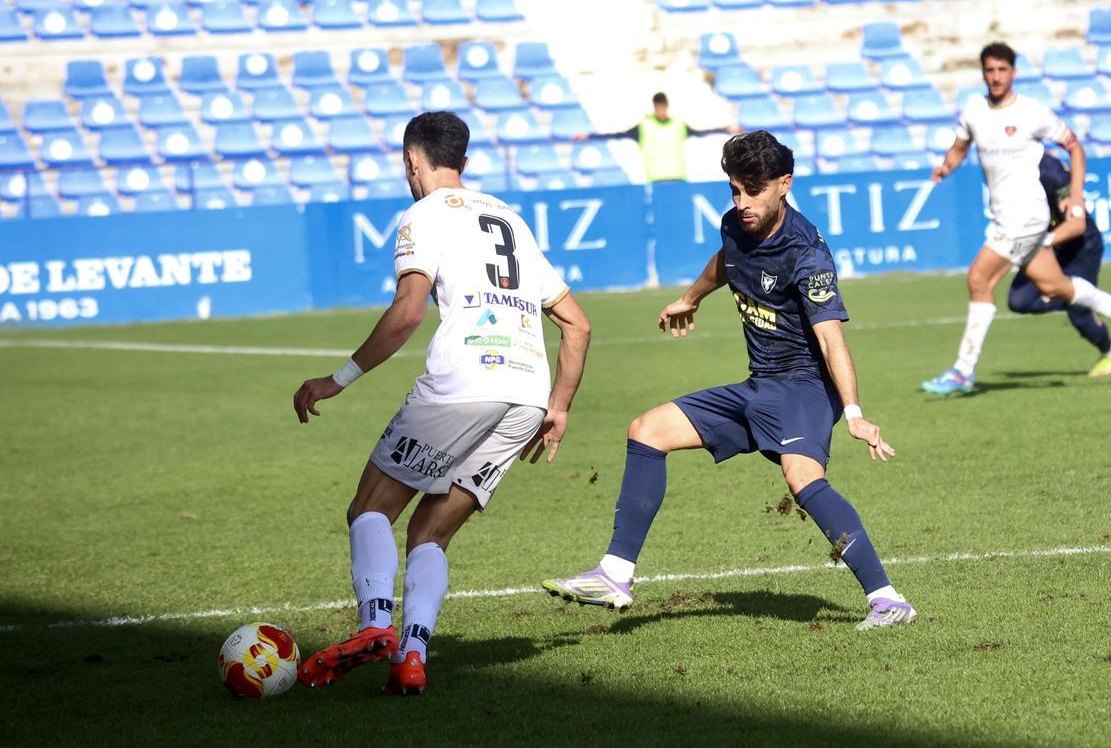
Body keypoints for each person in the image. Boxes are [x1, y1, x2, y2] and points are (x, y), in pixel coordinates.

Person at [542, 131, 916, 631]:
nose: (741, 203)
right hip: (759, 384)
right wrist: (692, 297)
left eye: (753, 190)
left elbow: (831, 340)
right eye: (734, 190)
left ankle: (888, 600)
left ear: (784, 184)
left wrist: (853, 413)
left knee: (803, 480)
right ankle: (615, 574)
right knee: (646, 430)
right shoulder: (735, 224)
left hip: (804, 388)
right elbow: (726, 261)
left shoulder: (806, 253)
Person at [291, 111, 591, 695]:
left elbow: (407, 313)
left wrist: (339, 379)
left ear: (412, 161)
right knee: (430, 533)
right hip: (525, 400)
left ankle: (377, 624)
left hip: (461, 386)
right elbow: (576, 326)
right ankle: (411, 657)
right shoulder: (511, 217)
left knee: (370, 509)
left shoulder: (422, 215)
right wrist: (558, 407)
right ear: (465, 162)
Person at [922, 42, 1111, 396]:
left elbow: (1074, 145)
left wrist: (1075, 197)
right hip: (1003, 217)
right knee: (1056, 286)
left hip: (1025, 216)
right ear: (983, 73)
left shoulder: (1032, 112)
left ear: (1013, 72)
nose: (995, 77)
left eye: (1002, 70)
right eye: (989, 70)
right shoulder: (974, 109)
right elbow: (961, 145)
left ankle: (963, 370)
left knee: (979, 278)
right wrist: (947, 166)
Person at [1007, 154, 1111, 377]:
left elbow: (1076, 225)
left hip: (1080, 246)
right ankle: (1086, 301)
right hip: (1048, 247)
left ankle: (1110, 352)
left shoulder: (1051, 173)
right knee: (1018, 300)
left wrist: (1043, 243)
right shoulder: (1004, 171)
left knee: (1078, 314)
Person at [575, 92, 735, 182]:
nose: (661, 110)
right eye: (658, 107)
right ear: (655, 107)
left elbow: (702, 132)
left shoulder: (678, 125)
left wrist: (725, 129)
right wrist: (589, 136)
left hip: (678, 178)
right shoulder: (644, 126)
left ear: (666, 106)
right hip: (655, 181)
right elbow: (616, 135)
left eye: (663, 107)